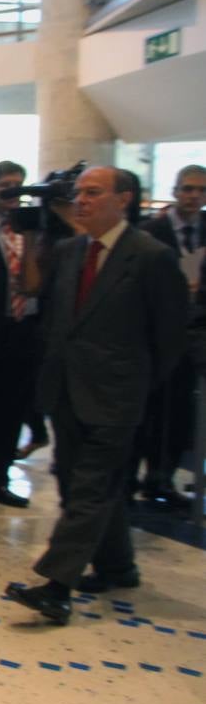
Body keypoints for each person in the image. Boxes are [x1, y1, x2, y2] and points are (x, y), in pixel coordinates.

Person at [6, 167, 188, 623]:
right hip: (67, 391)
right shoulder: (70, 251)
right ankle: (117, 565)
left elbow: (169, 337)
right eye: (79, 193)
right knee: (77, 484)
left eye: (93, 192)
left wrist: (137, 385)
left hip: (117, 396)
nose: (81, 200)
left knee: (88, 489)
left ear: (123, 199)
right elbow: (54, 316)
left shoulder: (151, 256)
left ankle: (55, 587)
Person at [133, 164, 206, 506]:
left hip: (193, 337)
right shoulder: (150, 232)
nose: (194, 196)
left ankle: (163, 477)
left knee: (180, 412)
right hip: (152, 336)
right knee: (147, 411)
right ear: (175, 191)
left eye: (201, 191)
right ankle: (134, 478)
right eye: (188, 189)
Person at [0, 161, 41, 512]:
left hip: (23, 329)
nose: (13, 191)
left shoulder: (30, 228)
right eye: (5, 185)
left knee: (13, 408)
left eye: (19, 184)